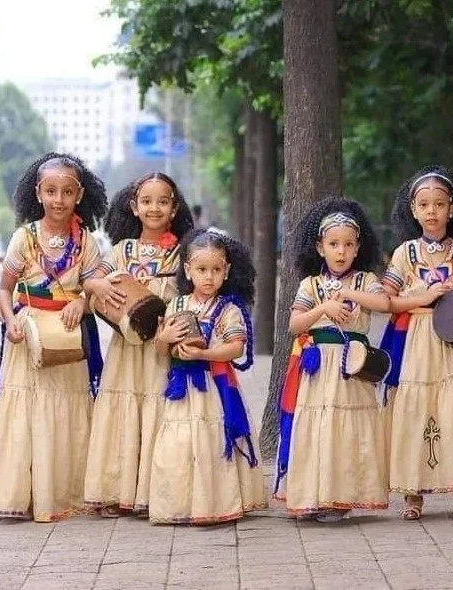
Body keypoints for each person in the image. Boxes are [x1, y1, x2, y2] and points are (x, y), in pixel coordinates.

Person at [0, 152, 106, 523]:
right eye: (51, 191)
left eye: (67, 192)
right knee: (27, 416)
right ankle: (20, 497)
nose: (59, 200)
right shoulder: (23, 238)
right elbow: (4, 290)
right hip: (28, 340)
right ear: (38, 193)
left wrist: (84, 301)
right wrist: (11, 321)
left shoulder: (86, 242)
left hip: (69, 342)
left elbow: (95, 289)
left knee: (66, 416)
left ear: (79, 194)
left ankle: (62, 495)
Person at [380, 165, 453, 522]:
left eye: (439, 204)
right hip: (417, 342)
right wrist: (422, 296)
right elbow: (387, 301)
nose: (431, 211)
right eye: (423, 204)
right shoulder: (403, 254)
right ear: (412, 209)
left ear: (452, 209)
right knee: (414, 411)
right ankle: (413, 493)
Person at [83, 172, 194, 518]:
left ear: (174, 208)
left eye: (163, 201)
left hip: (161, 350)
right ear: (134, 207)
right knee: (122, 413)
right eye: (146, 201)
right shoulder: (121, 250)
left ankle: (153, 492)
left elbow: (193, 298)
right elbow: (91, 281)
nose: (154, 208)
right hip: (125, 349)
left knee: (158, 413)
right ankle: (117, 492)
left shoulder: (182, 253)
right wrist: (98, 287)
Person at [274, 197, 390, 522]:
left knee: (349, 430)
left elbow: (383, 304)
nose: (341, 251)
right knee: (317, 427)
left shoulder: (364, 281)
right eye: (334, 244)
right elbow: (294, 324)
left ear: (357, 248)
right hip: (317, 368)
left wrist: (350, 294)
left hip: (352, 368)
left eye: (348, 244)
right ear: (320, 247)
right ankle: (313, 494)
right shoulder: (310, 285)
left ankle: (342, 496)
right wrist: (323, 309)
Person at [150, 229, 266, 524]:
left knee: (212, 442)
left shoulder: (229, 309)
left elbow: (236, 348)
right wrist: (165, 336)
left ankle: (215, 504)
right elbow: (160, 348)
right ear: (188, 270)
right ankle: (179, 504)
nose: (209, 277)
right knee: (179, 445)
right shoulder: (176, 305)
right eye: (201, 269)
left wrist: (203, 354)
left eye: (216, 270)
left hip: (214, 388)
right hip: (180, 388)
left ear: (227, 271)